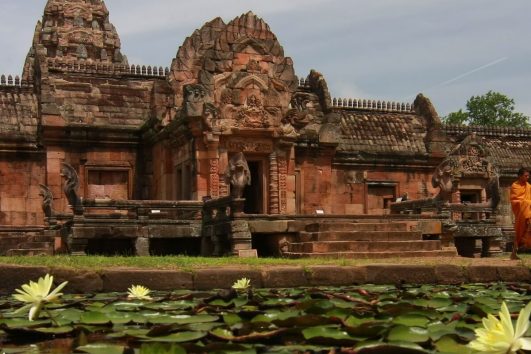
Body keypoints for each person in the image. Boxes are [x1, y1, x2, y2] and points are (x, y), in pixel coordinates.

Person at [510, 167, 531, 259]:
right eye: (525, 176)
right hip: (521, 212)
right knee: (519, 232)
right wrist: (528, 202)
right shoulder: (515, 186)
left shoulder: (529, 186)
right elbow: (515, 200)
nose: (528, 177)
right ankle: (514, 253)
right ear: (520, 176)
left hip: (528, 211)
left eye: (528, 176)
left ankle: (519, 250)